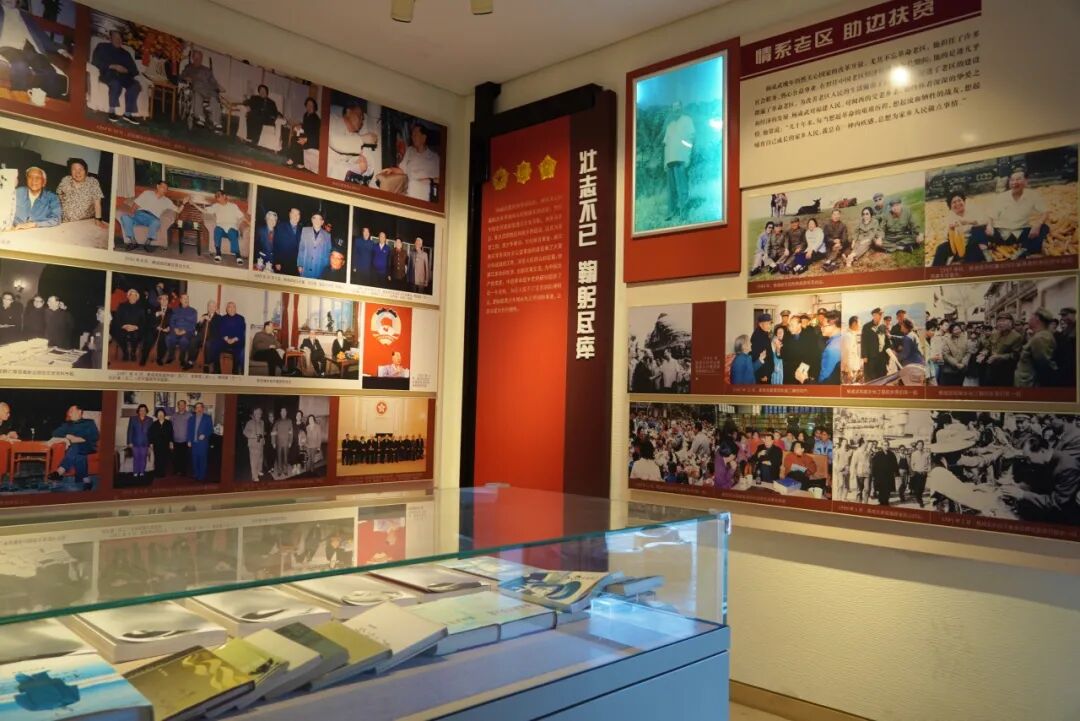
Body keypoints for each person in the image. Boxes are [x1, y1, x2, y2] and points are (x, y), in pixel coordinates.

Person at [1002, 436, 1080, 524]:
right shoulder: (1048, 459)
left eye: (1029, 458)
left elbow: (1057, 503)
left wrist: (1022, 494)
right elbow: (1040, 483)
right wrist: (1020, 486)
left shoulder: (1068, 468)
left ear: (1042, 451)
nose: (1028, 462)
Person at [987, 167, 1050, 259]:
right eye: (1012, 180)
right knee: (977, 230)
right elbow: (991, 215)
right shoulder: (1002, 197)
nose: (1014, 182)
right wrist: (989, 226)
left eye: (1018, 179)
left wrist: (1038, 224)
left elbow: (1045, 211)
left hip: (1021, 233)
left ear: (1025, 181)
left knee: (1044, 228)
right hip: (1002, 233)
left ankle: (1024, 251)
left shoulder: (1032, 195)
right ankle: (986, 252)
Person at [377, 123, 441, 203]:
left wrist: (428, 180)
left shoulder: (434, 157)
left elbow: (441, 180)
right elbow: (402, 170)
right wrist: (391, 169)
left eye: (415, 135)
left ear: (424, 137)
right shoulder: (410, 151)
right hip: (410, 189)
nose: (413, 137)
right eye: (412, 135)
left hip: (425, 190)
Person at [90, 29, 140, 124]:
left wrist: (126, 70)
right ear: (110, 38)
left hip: (124, 76)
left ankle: (128, 114)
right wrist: (113, 66)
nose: (118, 40)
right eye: (115, 38)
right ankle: (112, 111)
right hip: (108, 74)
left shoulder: (126, 53)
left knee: (135, 85)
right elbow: (95, 62)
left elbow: (134, 70)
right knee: (116, 83)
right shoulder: (102, 47)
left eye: (120, 38)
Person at [931, 190, 991, 266]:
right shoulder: (950, 217)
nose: (957, 204)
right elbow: (947, 237)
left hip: (973, 242)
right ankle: (935, 270)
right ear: (950, 206)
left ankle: (971, 260)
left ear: (964, 202)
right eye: (954, 202)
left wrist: (968, 222)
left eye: (959, 200)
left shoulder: (972, 211)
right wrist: (951, 230)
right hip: (958, 245)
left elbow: (985, 221)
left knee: (974, 245)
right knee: (941, 248)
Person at [46, 405, 99, 489]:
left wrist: (81, 439)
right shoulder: (68, 424)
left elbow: (95, 436)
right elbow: (55, 432)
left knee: (76, 446)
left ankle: (60, 471)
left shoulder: (89, 422)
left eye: (72, 411)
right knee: (78, 451)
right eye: (69, 412)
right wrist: (68, 436)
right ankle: (86, 479)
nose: (70, 414)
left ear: (80, 412)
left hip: (88, 446)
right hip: (76, 448)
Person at [119, 180, 179, 252]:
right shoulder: (147, 193)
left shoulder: (167, 201)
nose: (164, 190)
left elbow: (178, 210)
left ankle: (147, 243)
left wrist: (184, 203)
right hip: (139, 215)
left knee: (157, 222)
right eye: (163, 187)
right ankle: (133, 242)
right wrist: (132, 213)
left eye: (166, 189)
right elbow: (136, 204)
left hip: (152, 219)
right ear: (158, 186)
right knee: (124, 217)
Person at [328, 100, 380, 183]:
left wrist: (363, 166)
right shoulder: (332, 119)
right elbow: (334, 140)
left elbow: (355, 161)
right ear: (348, 111)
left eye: (363, 119)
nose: (362, 122)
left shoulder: (355, 137)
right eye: (360, 116)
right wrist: (362, 139)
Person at [658, 101, 693, 221]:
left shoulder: (687, 120)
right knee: (671, 189)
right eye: (674, 107)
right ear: (672, 109)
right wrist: (665, 162)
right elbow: (666, 145)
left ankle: (684, 212)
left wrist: (687, 157)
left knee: (682, 187)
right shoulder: (670, 125)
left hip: (681, 159)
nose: (676, 109)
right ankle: (671, 212)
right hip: (670, 161)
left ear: (681, 108)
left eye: (678, 106)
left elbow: (691, 139)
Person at [179, 50, 223, 132]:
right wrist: (186, 78)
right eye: (196, 58)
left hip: (209, 89)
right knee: (197, 95)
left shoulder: (207, 70)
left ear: (201, 59)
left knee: (214, 98)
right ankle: (200, 117)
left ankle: (216, 121)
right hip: (197, 88)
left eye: (199, 58)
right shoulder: (189, 68)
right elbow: (181, 76)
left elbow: (213, 81)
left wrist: (219, 87)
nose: (197, 60)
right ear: (192, 58)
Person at [1015, 308, 1059, 387]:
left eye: (1030, 317)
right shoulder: (1038, 335)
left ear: (1037, 318)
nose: (1028, 320)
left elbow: (1043, 365)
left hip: (1029, 383)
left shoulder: (1040, 337)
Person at [56, 158, 106, 225]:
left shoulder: (93, 182)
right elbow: (58, 198)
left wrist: (98, 219)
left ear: (86, 171)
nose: (77, 173)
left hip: (84, 222)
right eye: (74, 169)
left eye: (80, 169)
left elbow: (97, 202)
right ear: (70, 171)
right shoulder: (66, 180)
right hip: (64, 221)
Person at [983, 313, 1024, 386]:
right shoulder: (994, 334)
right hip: (991, 368)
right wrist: (984, 353)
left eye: (1003, 320)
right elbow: (988, 347)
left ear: (1011, 323)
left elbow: (1015, 355)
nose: (1000, 323)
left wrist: (999, 357)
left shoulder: (1016, 337)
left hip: (1005, 370)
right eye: (998, 321)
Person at [209, 190, 246, 265]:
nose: (218, 199)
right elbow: (205, 211)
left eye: (219, 196)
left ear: (224, 196)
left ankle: (238, 255)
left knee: (231, 231)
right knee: (217, 229)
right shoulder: (216, 206)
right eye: (217, 197)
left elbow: (242, 217)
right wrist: (193, 204)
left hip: (232, 229)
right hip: (221, 230)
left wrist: (240, 224)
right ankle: (218, 253)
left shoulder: (233, 206)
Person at [286, 97, 321, 169]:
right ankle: (292, 158)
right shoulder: (306, 114)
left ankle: (301, 162)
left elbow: (316, 134)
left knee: (299, 141)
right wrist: (300, 125)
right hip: (306, 136)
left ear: (314, 106)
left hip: (312, 140)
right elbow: (305, 125)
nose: (309, 106)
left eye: (311, 105)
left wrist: (306, 139)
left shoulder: (316, 118)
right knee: (294, 138)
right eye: (307, 105)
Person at [164, 293, 196, 369]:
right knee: (168, 338)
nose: (186, 300)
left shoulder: (193, 311)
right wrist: (175, 329)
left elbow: (193, 324)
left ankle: (182, 358)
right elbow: (172, 322)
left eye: (187, 298)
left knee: (183, 340)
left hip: (187, 331)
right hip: (176, 330)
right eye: (184, 298)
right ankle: (171, 356)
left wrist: (185, 331)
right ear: (180, 300)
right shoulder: (175, 310)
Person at [111, 288, 144, 361]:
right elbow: (117, 318)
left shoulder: (141, 308)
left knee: (136, 335)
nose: (133, 297)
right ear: (128, 296)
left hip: (136, 329)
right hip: (123, 328)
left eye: (135, 296)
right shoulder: (122, 306)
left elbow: (143, 321)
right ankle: (125, 352)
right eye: (131, 295)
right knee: (118, 334)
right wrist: (124, 326)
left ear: (137, 298)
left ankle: (133, 352)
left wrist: (136, 327)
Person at [297, 212, 331, 279]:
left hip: (319, 269)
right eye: (314, 218)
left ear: (322, 222)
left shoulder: (327, 235)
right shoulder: (305, 230)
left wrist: (325, 269)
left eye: (319, 219)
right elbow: (301, 249)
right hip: (305, 267)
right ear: (312, 220)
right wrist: (300, 264)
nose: (316, 221)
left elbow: (327, 254)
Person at [271, 207, 303, 276]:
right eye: (293, 213)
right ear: (290, 214)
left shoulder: (302, 230)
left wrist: (301, 264)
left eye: (298, 214)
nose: (295, 216)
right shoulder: (280, 227)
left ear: (300, 217)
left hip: (296, 266)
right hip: (283, 264)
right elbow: (275, 245)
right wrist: (277, 261)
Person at [217, 301, 246, 374]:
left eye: (234, 307)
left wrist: (234, 339)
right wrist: (226, 339)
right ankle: (218, 371)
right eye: (230, 307)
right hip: (225, 341)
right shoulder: (222, 318)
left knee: (239, 349)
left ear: (236, 309)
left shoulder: (241, 318)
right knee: (216, 346)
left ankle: (235, 371)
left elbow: (241, 331)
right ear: (227, 309)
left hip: (237, 341)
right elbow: (221, 330)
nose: (232, 309)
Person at [187, 402, 213, 482]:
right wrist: (189, 440)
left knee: (202, 459)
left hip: (203, 443)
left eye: (200, 407)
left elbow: (211, 430)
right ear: (195, 409)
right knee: (194, 459)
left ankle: (201, 475)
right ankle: (196, 474)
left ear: (203, 408)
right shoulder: (191, 418)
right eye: (197, 407)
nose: (198, 409)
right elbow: (189, 430)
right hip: (194, 443)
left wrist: (205, 435)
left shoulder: (207, 418)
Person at [143, 292, 170, 366]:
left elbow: (172, 322)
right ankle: (144, 357)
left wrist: (168, 327)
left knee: (164, 338)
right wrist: (157, 314)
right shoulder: (153, 309)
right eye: (162, 299)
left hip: (164, 331)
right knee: (148, 338)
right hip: (153, 329)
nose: (164, 301)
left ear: (168, 301)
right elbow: (148, 320)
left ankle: (159, 358)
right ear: (159, 300)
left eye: (166, 299)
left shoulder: (171, 311)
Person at [940, 322, 971, 386]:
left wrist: (963, 363)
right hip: (950, 370)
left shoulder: (965, 338)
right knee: (951, 387)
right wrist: (956, 364)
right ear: (951, 331)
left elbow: (968, 352)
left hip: (962, 368)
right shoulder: (947, 340)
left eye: (958, 329)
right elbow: (946, 354)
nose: (957, 331)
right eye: (955, 330)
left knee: (960, 385)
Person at [126, 403, 152, 480]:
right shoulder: (133, 419)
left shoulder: (150, 420)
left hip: (145, 443)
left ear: (146, 411)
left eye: (144, 410)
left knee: (143, 458)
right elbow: (130, 431)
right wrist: (129, 442)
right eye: (141, 410)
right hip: (135, 442)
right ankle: (135, 472)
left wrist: (150, 443)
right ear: (138, 411)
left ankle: (142, 472)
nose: (142, 412)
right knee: (136, 458)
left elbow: (151, 432)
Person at [870, 439, 899, 506]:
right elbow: (874, 465)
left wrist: (896, 472)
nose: (886, 446)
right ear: (882, 446)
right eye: (885, 445)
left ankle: (886, 501)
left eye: (887, 445)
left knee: (888, 489)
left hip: (889, 475)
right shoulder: (878, 454)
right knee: (881, 489)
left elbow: (895, 464)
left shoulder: (891, 454)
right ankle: (881, 502)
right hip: (880, 475)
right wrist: (874, 474)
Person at [860, 308, 886, 382]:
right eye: (879, 314)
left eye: (882, 314)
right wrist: (864, 356)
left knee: (881, 377)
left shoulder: (883, 326)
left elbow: (885, 340)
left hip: (881, 357)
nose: (881, 316)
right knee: (870, 378)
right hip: (870, 357)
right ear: (874, 315)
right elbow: (864, 342)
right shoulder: (866, 327)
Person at [243, 406, 266, 481]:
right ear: (254, 413)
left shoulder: (262, 422)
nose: (258, 414)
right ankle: (254, 476)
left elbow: (262, 432)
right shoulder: (250, 422)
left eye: (260, 413)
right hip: (253, 445)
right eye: (257, 413)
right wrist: (253, 435)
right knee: (254, 461)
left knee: (260, 459)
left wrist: (263, 439)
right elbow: (245, 432)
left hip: (260, 444)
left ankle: (259, 471)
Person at [148, 408, 173, 480]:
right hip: (157, 444)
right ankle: (157, 472)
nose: (160, 415)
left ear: (164, 414)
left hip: (165, 443)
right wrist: (151, 443)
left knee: (164, 458)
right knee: (157, 458)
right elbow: (151, 434)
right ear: (157, 415)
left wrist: (171, 442)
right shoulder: (154, 424)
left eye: (162, 414)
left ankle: (162, 472)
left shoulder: (168, 423)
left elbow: (171, 433)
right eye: (159, 414)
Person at [749, 313, 774, 384]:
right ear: (760, 324)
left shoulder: (764, 333)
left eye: (770, 323)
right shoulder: (757, 336)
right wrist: (763, 374)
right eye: (767, 323)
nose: (769, 325)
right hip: (763, 375)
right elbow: (756, 356)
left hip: (766, 372)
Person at [819, 310, 843, 384]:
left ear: (833, 325)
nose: (821, 328)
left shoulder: (832, 349)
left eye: (823, 325)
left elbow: (826, 378)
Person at [1055, 307, 1076, 390]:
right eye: (1062, 316)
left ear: (1073, 314)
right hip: (1065, 366)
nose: (1063, 318)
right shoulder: (1066, 330)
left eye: (1065, 315)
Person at [170, 400, 191, 476]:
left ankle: (183, 471)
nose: (181, 406)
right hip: (175, 440)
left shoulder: (189, 415)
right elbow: (170, 427)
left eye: (183, 405)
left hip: (185, 440)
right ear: (178, 406)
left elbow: (191, 428)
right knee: (175, 457)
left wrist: (190, 440)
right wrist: (171, 441)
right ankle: (176, 470)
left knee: (184, 457)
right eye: (180, 405)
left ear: (185, 406)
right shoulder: (174, 415)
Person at [271, 407, 293, 477]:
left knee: (286, 458)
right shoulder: (277, 421)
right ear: (280, 413)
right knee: (279, 458)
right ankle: (279, 471)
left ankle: (285, 470)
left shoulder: (289, 421)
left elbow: (291, 433)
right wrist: (273, 442)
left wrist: (290, 441)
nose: (283, 413)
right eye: (282, 411)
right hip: (279, 443)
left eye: (284, 411)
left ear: (286, 413)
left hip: (286, 443)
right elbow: (273, 432)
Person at [908, 439, 929, 507]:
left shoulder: (926, 454)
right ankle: (920, 500)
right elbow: (912, 464)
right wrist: (915, 470)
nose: (920, 446)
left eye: (921, 445)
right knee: (917, 488)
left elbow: (928, 464)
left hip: (924, 473)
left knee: (922, 488)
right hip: (917, 473)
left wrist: (926, 470)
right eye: (919, 445)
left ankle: (919, 497)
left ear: (923, 446)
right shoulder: (914, 454)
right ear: (917, 446)